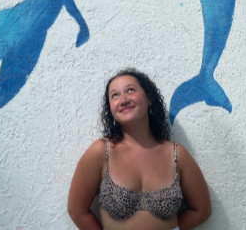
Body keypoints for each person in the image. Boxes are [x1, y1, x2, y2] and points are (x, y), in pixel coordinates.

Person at [68, 68, 211, 230]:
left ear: (149, 99)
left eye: (130, 90)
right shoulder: (101, 152)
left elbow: (202, 210)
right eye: (115, 95)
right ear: (111, 109)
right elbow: (77, 211)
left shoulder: (176, 154)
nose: (123, 100)